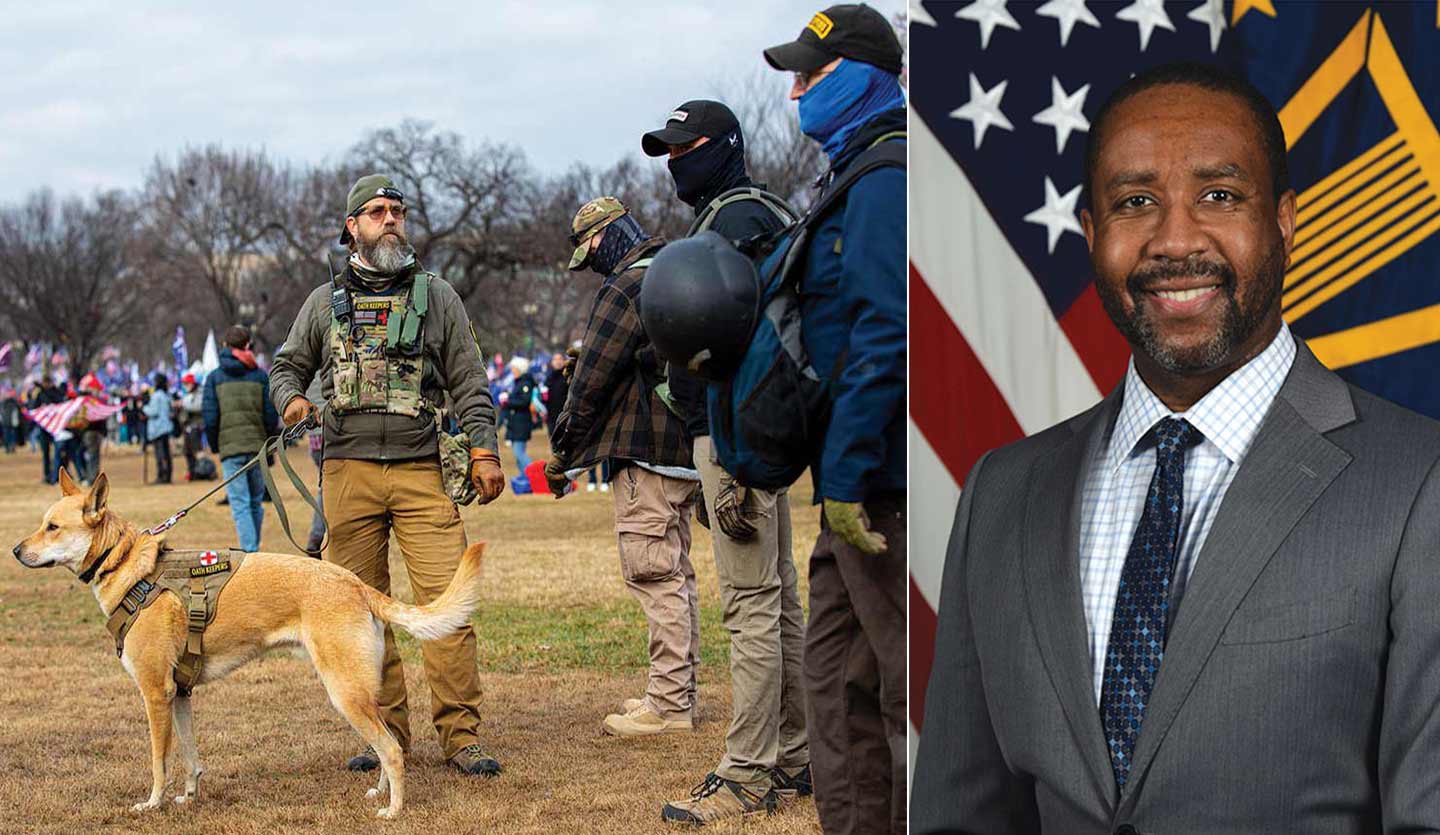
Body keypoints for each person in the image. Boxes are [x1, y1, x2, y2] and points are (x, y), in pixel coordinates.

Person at [912, 61, 1440, 833]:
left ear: (1286, 220)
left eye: (1219, 196)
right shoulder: (1002, 491)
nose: (1175, 239)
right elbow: (959, 816)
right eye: (1135, 202)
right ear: (1092, 233)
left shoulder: (1418, 481)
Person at [270, 174, 506, 778]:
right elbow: (287, 366)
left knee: (445, 606)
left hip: (423, 469)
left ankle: (462, 737)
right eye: (375, 212)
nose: (390, 219)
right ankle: (387, 733)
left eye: (397, 211)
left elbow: (470, 380)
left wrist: (484, 450)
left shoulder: (439, 296)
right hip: (346, 474)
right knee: (360, 612)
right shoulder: (323, 303)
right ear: (352, 226)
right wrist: (293, 401)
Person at [762, 6, 908, 834]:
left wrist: (848, 473)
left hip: (880, 483)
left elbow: (887, 329)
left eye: (809, 74)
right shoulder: (851, 174)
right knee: (832, 679)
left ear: (858, 74)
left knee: (897, 685)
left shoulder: (887, 176)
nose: (794, 93)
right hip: (853, 480)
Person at [642, 101, 808, 823]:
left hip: (737, 430)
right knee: (780, 599)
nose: (675, 161)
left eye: (686, 147)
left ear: (725, 146)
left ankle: (748, 769)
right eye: (667, 151)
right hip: (756, 427)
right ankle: (801, 753)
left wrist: (735, 458)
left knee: (751, 604)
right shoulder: (762, 210)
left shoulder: (736, 220)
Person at [543, 196, 701, 738]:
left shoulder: (625, 287)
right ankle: (674, 687)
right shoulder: (678, 265)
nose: (595, 270)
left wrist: (562, 451)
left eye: (591, 256)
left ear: (606, 236)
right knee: (677, 574)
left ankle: (670, 704)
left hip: (646, 454)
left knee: (654, 575)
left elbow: (591, 382)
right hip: (687, 453)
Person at [202, 325, 279, 553]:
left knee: (240, 504)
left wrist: (216, 445)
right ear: (248, 346)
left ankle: (249, 551)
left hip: (231, 449)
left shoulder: (214, 378)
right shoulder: (260, 375)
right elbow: (270, 414)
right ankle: (252, 549)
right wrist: (269, 443)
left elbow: (210, 417)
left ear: (225, 346)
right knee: (255, 502)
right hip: (257, 447)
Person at [500, 356, 542, 475]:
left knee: (519, 453)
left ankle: (536, 474)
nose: (512, 370)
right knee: (517, 453)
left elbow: (524, 401)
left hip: (521, 423)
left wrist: (508, 402)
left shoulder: (525, 383)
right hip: (515, 423)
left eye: (514, 368)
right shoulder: (518, 382)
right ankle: (524, 477)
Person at [29, 375, 64, 484]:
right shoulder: (40, 393)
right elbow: (34, 408)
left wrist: (44, 391)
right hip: (43, 427)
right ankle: (47, 475)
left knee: (59, 452)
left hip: (55, 427)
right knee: (46, 454)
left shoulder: (55, 392)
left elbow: (59, 403)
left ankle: (57, 475)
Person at [143, 374, 174, 484]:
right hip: (166, 427)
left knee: (160, 454)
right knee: (166, 453)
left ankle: (162, 476)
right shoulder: (166, 395)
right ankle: (168, 475)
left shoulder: (156, 396)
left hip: (158, 429)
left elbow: (153, 411)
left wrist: (144, 407)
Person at [179, 372, 205, 480]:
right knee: (187, 451)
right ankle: (192, 471)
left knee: (197, 450)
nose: (185, 386)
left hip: (196, 426)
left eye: (187, 383)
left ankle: (203, 470)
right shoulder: (187, 395)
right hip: (187, 427)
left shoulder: (200, 393)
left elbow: (197, 406)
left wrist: (183, 403)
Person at [542, 351, 567, 437]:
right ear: (552, 362)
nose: (558, 361)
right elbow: (544, 399)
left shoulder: (568, 376)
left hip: (565, 416)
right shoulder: (548, 377)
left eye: (560, 359)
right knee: (554, 444)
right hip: (552, 417)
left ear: (564, 361)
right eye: (555, 359)